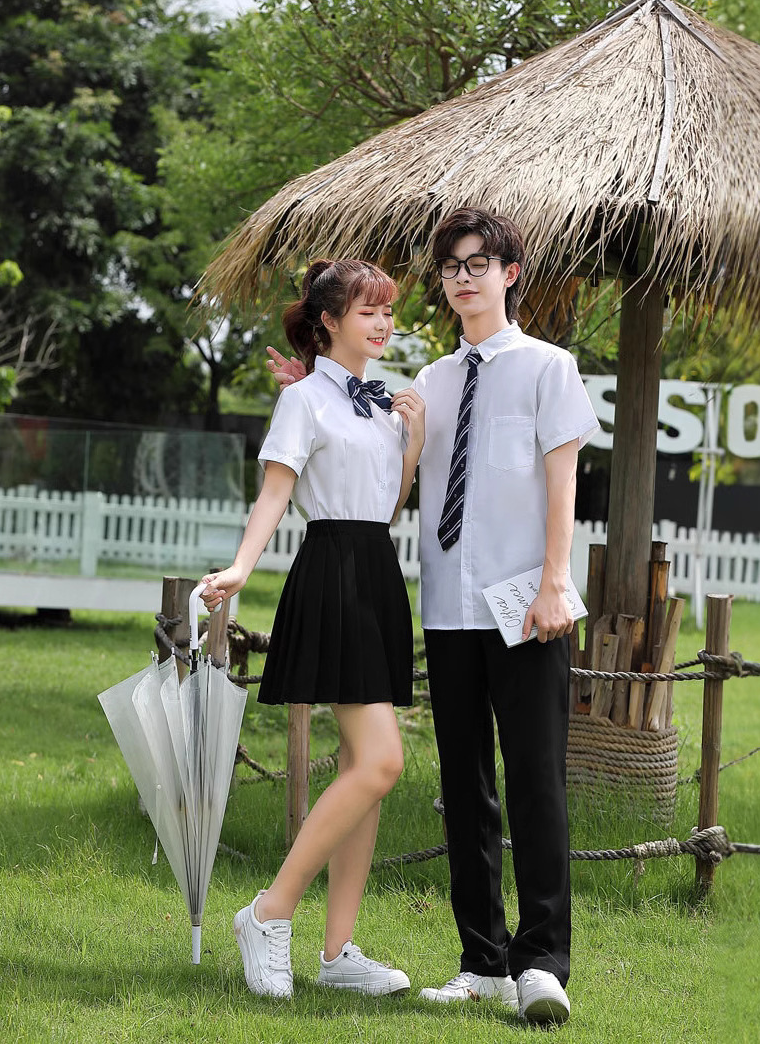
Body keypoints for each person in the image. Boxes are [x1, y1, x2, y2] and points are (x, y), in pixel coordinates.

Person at [267, 208, 598, 1026]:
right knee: (464, 786)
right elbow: (368, 457)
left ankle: (541, 962)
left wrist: (555, 581)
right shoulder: (430, 382)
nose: (462, 277)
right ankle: (481, 961)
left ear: (509, 274)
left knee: (535, 780)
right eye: (450, 265)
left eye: (478, 262)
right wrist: (309, 388)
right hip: (448, 607)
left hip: (526, 607)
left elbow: (562, 482)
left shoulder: (549, 368)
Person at [201, 259, 425, 1001]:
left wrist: (413, 441)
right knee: (381, 762)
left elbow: (388, 504)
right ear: (329, 321)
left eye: (387, 310)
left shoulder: (384, 406)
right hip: (332, 572)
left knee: (365, 769)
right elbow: (276, 492)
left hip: (377, 568)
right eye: (367, 310)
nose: (383, 323)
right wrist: (241, 568)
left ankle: (337, 953)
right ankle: (268, 911)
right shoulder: (302, 400)